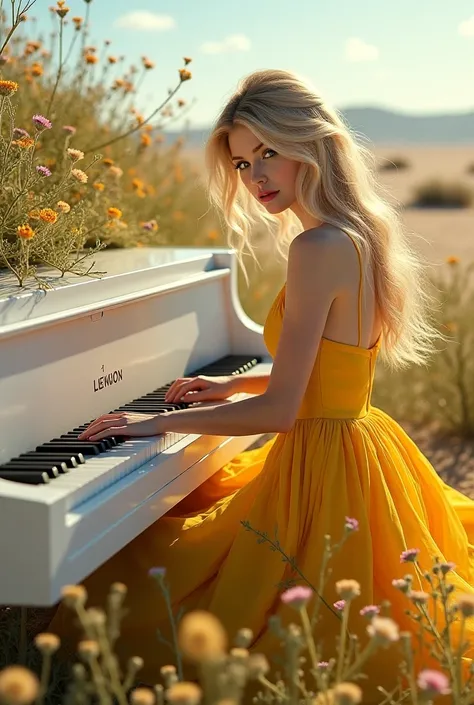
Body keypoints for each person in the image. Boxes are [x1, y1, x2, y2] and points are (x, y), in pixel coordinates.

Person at [49, 69, 474, 701]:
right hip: (359, 444)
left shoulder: (315, 248)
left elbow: (283, 413)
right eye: (244, 163)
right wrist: (227, 391)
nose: (255, 178)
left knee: (152, 572)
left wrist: (151, 424)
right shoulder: (360, 233)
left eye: (268, 153)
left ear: (312, 143)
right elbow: (330, 380)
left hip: (317, 466)